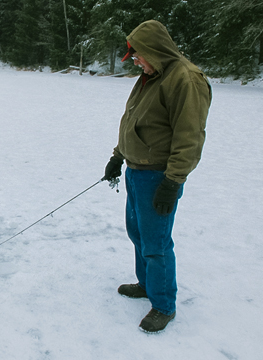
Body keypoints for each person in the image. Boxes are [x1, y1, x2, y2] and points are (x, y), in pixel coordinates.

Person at [103, 20, 211, 333]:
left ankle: (163, 305)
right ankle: (147, 284)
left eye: (138, 56)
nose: (135, 62)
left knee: (156, 243)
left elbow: (189, 138)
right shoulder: (150, 76)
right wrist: (117, 156)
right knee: (138, 234)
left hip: (159, 177)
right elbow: (134, 122)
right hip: (137, 172)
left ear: (154, 50)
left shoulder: (186, 80)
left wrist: (173, 181)